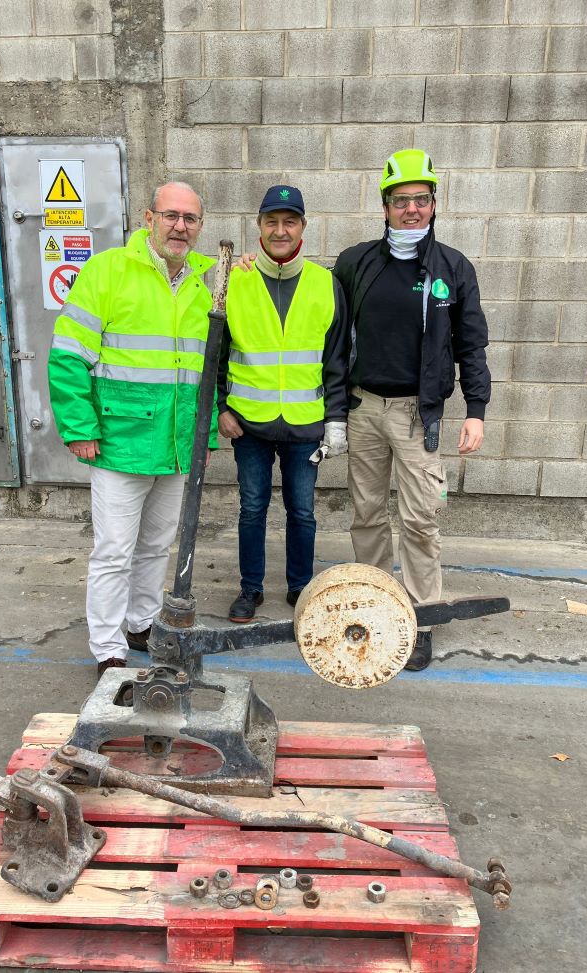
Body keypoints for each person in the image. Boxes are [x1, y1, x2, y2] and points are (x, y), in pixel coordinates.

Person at [48, 181, 216, 678]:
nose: (180, 226)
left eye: (190, 219)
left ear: (199, 227)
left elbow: (205, 370)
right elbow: (68, 357)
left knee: (154, 547)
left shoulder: (205, 282)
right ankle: (107, 647)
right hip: (120, 441)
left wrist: (201, 436)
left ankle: (140, 623)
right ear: (149, 218)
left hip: (176, 445)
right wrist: (79, 426)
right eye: (171, 215)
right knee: (114, 551)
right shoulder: (108, 272)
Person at [334, 149, 490, 671]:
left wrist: (476, 409)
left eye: (421, 201)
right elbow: (333, 340)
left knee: (421, 519)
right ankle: (377, 608)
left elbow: (472, 345)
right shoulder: (357, 263)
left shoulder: (452, 268)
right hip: (364, 410)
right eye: (402, 201)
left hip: (414, 414)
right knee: (368, 516)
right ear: (384, 206)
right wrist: (336, 411)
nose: (412, 210)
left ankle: (420, 619)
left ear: (433, 204)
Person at [218, 185, 348, 623]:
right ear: (259, 226)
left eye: (289, 221)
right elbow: (215, 352)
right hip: (249, 422)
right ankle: (250, 589)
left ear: (302, 228)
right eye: (271, 221)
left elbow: (336, 358)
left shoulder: (325, 284)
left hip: (305, 423)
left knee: (303, 511)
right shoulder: (234, 279)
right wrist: (222, 406)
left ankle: (300, 587)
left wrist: (336, 419)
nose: (280, 230)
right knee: (252, 508)